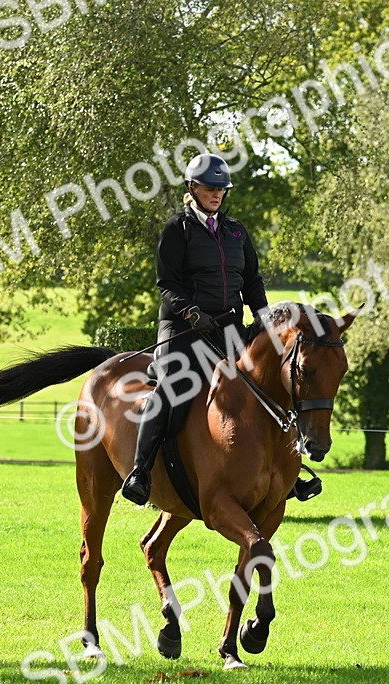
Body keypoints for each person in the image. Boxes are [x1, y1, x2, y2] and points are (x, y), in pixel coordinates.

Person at [120, 153, 270, 505]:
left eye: (221, 189)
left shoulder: (236, 231)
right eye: (209, 188)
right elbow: (166, 282)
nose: (216, 195)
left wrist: (262, 314)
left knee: (262, 385)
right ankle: (141, 472)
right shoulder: (178, 229)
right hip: (183, 329)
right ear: (192, 188)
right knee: (172, 389)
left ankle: (281, 471)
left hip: (228, 327)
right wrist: (189, 311)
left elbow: (252, 280)